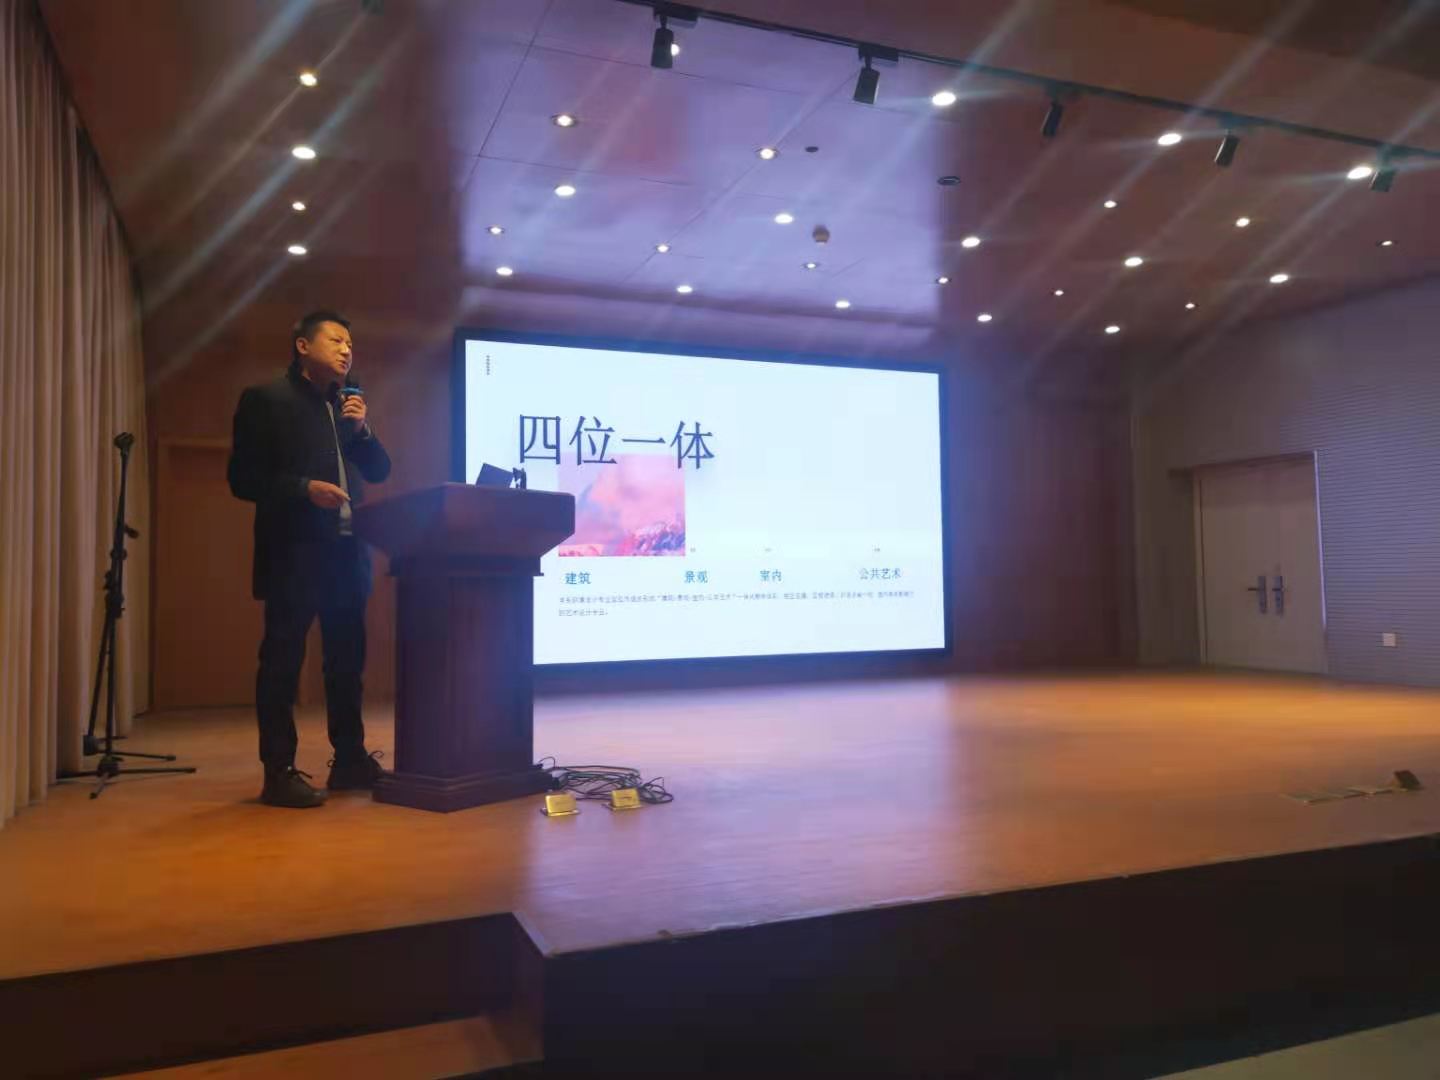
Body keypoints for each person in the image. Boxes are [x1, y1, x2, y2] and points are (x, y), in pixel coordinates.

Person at [227, 310, 393, 808]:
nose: (347, 350)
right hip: (294, 553)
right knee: (281, 664)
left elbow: (380, 472)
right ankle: (278, 772)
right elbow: (242, 478)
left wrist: (362, 430)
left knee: (347, 664)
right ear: (302, 345)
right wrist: (303, 488)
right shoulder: (266, 399)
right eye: (336, 340)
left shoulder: (345, 407)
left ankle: (350, 760)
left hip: (346, 553)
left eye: (351, 344)